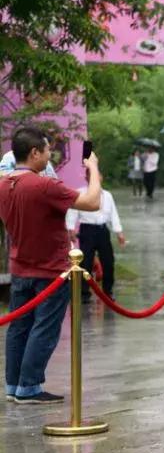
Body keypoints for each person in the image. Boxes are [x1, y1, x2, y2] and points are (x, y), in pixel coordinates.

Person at [1, 126, 102, 403]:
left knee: (19, 327)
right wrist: (93, 170)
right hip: (50, 270)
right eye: (47, 150)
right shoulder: (44, 185)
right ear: (34, 153)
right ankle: (29, 386)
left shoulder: (3, 185)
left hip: (20, 267)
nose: (49, 156)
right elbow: (92, 202)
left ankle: (13, 385)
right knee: (44, 327)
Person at [66, 167, 125, 301]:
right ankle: (84, 292)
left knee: (108, 261)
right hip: (87, 230)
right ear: (87, 178)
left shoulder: (107, 195)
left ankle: (107, 291)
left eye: (97, 175)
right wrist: (71, 228)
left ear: (101, 177)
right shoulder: (81, 193)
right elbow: (72, 211)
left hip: (103, 230)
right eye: (91, 176)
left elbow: (113, 215)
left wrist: (119, 232)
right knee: (85, 262)